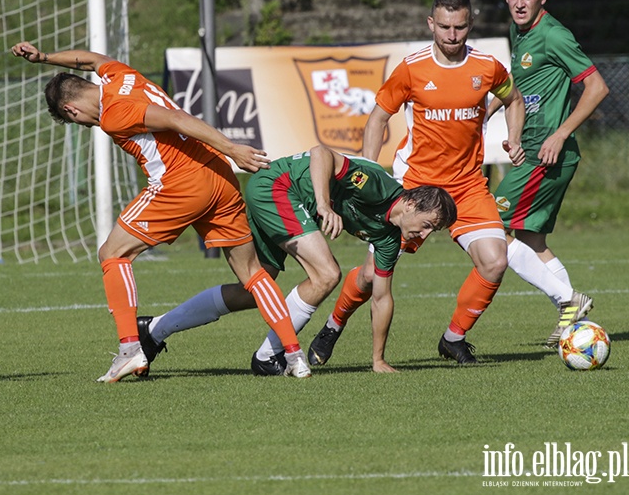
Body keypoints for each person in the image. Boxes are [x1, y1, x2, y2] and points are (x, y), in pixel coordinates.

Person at [10, 42, 311, 381]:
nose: (84, 125)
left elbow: (176, 118)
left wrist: (232, 148)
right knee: (253, 273)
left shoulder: (113, 114)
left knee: (113, 253)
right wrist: (46, 57)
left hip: (181, 184)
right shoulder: (119, 75)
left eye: (75, 121)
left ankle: (130, 350)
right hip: (219, 179)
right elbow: (91, 59)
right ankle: (295, 357)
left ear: (71, 110)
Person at [327, 0, 527, 365]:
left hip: (467, 185)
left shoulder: (487, 67)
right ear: (431, 24)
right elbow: (377, 118)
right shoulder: (412, 68)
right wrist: (368, 174)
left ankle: (453, 338)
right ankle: (333, 325)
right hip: (415, 187)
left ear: (470, 24)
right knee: (371, 275)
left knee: (494, 260)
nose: (452, 35)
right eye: (445, 27)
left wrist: (513, 138)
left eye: (461, 27)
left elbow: (514, 100)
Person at [134, 146, 457, 375]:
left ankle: (155, 328)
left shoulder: (389, 238)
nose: (424, 236)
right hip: (278, 186)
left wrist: (378, 360)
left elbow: (383, 297)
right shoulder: (377, 185)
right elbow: (321, 153)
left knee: (253, 290)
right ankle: (269, 356)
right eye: (427, 225)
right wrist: (324, 204)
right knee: (327, 274)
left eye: (433, 232)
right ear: (412, 204)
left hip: (282, 199)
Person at [493, 0, 608, 347]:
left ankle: (567, 301)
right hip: (529, 150)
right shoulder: (518, 30)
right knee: (529, 238)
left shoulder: (555, 35)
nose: (520, 3)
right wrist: (486, 113)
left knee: (490, 226)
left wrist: (560, 134)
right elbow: (518, 88)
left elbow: (596, 88)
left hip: (547, 155)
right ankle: (571, 313)